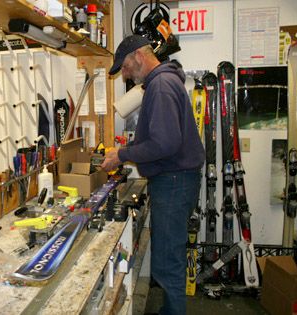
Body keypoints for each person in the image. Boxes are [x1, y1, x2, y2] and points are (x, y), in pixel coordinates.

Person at [102, 35, 205, 315]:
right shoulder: (163, 82)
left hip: (174, 182)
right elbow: (162, 138)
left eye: (123, 66)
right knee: (166, 255)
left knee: (167, 260)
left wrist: (122, 155)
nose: (123, 73)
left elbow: (164, 144)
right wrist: (126, 149)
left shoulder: (160, 86)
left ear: (137, 55)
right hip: (175, 180)